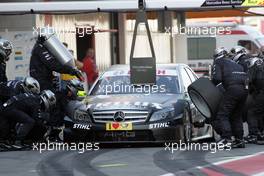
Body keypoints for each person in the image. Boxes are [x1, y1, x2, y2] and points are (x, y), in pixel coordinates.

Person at [30, 27, 82, 128]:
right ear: (45, 38)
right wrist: (72, 71)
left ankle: (58, 126)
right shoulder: (40, 48)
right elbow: (52, 64)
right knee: (55, 101)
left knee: (60, 99)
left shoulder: (43, 48)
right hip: (42, 82)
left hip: (47, 80)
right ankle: (54, 129)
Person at [212, 47, 248, 148]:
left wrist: (211, 85)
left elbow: (216, 78)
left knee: (223, 114)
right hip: (244, 90)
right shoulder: (236, 63)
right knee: (236, 115)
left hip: (233, 89)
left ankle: (226, 139)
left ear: (216, 56)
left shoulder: (218, 62)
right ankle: (239, 139)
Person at [246, 57, 264, 144]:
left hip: (261, 93)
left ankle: (253, 135)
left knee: (252, 112)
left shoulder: (255, 68)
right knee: (260, 113)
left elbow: (250, 81)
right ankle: (261, 133)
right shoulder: (262, 66)